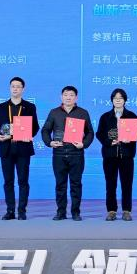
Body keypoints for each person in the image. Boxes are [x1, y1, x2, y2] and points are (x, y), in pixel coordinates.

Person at [41, 85, 95, 221]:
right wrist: (50, 142)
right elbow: (45, 130)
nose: (68, 97)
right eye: (65, 95)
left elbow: (90, 132)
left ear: (76, 97)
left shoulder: (82, 112)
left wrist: (84, 144)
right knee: (60, 184)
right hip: (59, 154)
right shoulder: (54, 112)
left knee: (76, 184)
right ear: (61, 97)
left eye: (71, 95)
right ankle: (61, 212)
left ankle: (76, 212)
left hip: (76, 154)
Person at [0, 76, 39, 220]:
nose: (15, 89)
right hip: (6, 148)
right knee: (8, 181)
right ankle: (10, 210)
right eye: (13, 86)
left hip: (23, 148)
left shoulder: (29, 107)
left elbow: (35, 127)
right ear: (9, 88)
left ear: (23, 89)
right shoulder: (1, 107)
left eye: (18, 86)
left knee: (23, 181)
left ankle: (22, 211)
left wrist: (28, 134)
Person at [96, 88, 137, 221]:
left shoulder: (132, 116)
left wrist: (130, 139)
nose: (118, 100)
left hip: (127, 155)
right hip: (110, 155)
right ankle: (111, 210)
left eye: (120, 98)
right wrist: (109, 142)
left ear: (125, 100)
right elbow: (99, 134)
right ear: (112, 100)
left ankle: (126, 210)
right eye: (115, 98)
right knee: (110, 184)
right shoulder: (105, 117)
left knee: (127, 184)